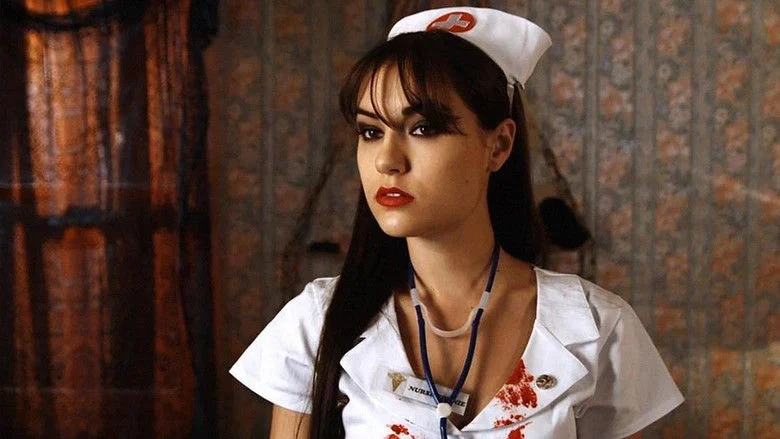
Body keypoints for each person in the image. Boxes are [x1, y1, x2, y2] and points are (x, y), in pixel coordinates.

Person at [230, 7, 684, 439]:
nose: (386, 160)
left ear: (498, 145)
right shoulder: (318, 322)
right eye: (370, 131)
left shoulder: (594, 328)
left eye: (423, 128)